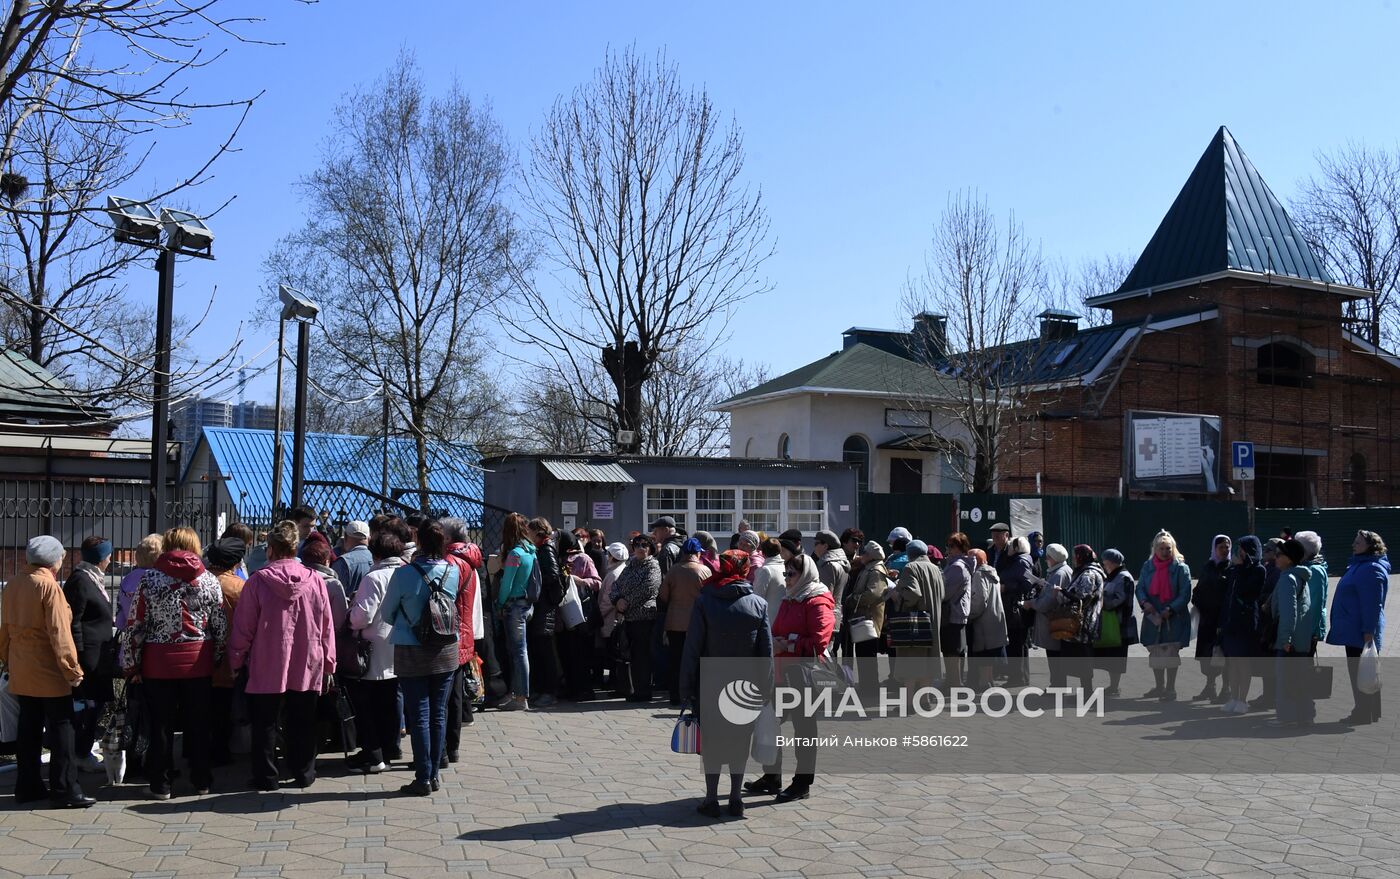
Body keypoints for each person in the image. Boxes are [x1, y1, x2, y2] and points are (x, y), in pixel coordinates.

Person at [229, 520, 335, 792]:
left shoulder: (257, 582)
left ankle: (267, 775)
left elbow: (244, 627)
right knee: (303, 720)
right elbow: (326, 624)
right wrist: (329, 661)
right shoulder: (315, 581)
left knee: (265, 722)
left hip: (267, 660)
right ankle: (303, 771)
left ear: (271, 549)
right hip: (307, 660)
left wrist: (236, 659)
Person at [124, 526, 228, 799]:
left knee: (160, 725)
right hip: (198, 661)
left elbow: (136, 624)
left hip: (159, 663)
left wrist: (131, 664)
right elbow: (219, 625)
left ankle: (161, 783)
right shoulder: (208, 580)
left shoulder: (150, 580)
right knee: (199, 723)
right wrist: (216, 657)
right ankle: (202, 780)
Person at [0, 536, 93, 808]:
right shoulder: (49, 587)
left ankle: (27, 786)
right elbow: (59, 634)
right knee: (62, 728)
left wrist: (7, 659)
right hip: (48, 669)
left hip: (21, 666)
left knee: (28, 728)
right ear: (55, 560)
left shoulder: (14, 584)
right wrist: (72, 669)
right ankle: (65, 789)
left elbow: (4, 630)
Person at [679, 550, 772, 819]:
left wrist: (685, 686)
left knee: (712, 743)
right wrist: (766, 689)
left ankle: (711, 799)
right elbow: (765, 653)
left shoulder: (705, 600)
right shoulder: (758, 604)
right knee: (739, 742)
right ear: (744, 570)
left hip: (711, 681)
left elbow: (692, 647)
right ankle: (735, 798)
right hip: (746, 685)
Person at [746, 552, 834, 804]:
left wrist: (788, 643)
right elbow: (775, 630)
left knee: (804, 731)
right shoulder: (790, 598)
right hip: (780, 674)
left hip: (804, 676)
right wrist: (774, 641)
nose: (787, 579)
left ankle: (802, 782)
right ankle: (772, 776)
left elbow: (819, 642)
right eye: (785, 574)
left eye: (791, 574)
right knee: (768, 724)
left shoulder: (817, 600)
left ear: (805, 573)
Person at [380, 520, 459, 796]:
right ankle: (434, 774)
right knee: (439, 714)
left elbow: (386, 613)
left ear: (419, 541)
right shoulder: (453, 570)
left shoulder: (403, 574)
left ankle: (423, 776)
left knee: (419, 715)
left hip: (411, 648)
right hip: (445, 648)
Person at [347, 528, 407, 772]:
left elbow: (363, 617)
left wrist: (351, 613)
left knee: (369, 705)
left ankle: (373, 754)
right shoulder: (406, 573)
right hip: (401, 644)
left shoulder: (374, 578)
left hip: (375, 647)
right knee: (391, 702)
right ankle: (390, 748)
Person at [1326, 530, 1390, 725]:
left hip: (1361, 631)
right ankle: (1369, 712)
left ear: (1370, 546)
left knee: (1361, 671)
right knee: (1365, 671)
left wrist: (1368, 631)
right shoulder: (1359, 565)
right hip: (1354, 628)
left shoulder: (1371, 569)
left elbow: (1372, 604)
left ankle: (1363, 712)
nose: (1354, 545)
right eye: (1354, 541)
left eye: (1358, 542)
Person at [63, 535, 115, 774]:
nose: (110, 559)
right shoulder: (81, 581)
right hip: (89, 657)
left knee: (96, 705)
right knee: (87, 707)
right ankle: (80, 753)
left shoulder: (93, 578)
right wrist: (80, 657)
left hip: (99, 655)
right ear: (101, 558)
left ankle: (84, 749)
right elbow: (74, 621)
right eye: (108, 555)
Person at [204, 536, 247, 766]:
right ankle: (222, 751)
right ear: (235, 562)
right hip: (230, 657)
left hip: (201, 658)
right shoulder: (239, 587)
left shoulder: (198, 580)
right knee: (225, 708)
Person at [441, 518, 482, 754]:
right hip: (465, 633)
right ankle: (453, 746)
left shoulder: (450, 562)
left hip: (449, 633)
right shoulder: (471, 561)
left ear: (447, 538)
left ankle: (444, 749)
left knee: (444, 696)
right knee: (456, 694)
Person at [1136, 530, 1192, 701]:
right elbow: (1140, 588)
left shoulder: (1181, 568)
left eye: (1168, 548)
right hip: (1153, 616)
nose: (1165, 552)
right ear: (1155, 549)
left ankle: (1170, 688)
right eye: (1161, 548)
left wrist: (1171, 609)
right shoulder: (1148, 566)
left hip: (1173, 617)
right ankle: (1159, 686)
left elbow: (1185, 593)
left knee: (1170, 652)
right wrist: (1145, 603)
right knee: (1155, 651)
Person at [660, 537, 711, 706]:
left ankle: (675, 695)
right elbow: (709, 598)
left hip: (674, 622)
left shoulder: (673, 571)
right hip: (697, 623)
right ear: (697, 553)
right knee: (696, 660)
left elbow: (663, 596)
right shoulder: (704, 571)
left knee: (676, 660)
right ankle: (694, 694)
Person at [1217, 537, 1265, 714]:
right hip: (1230, 623)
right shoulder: (1235, 570)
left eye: (1242, 549)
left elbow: (1250, 592)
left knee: (1243, 664)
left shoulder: (1258, 570)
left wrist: (1242, 568)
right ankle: (1234, 697)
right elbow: (1227, 596)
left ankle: (1243, 700)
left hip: (1245, 624)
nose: (1238, 553)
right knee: (1232, 664)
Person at [888, 540, 944, 687]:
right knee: (927, 662)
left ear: (910, 553)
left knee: (911, 663)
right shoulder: (935, 568)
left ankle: (909, 702)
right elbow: (943, 593)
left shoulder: (910, 567)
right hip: (932, 620)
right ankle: (924, 700)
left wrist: (896, 596)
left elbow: (913, 594)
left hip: (915, 622)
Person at [613, 534, 662, 702]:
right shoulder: (630, 565)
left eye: (645, 544)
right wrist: (617, 600)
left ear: (650, 548)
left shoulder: (653, 566)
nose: (641, 547)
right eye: (637, 544)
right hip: (628, 617)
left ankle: (643, 691)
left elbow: (649, 588)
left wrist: (626, 602)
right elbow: (616, 585)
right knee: (632, 655)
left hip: (644, 617)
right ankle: (634, 689)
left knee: (642, 655)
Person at [495, 513, 536, 711]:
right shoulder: (531, 551)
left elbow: (506, 584)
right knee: (520, 651)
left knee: (519, 652)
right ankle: (518, 694)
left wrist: (499, 603)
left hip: (514, 606)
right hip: (527, 604)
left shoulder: (515, 554)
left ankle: (520, 698)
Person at [1272, 538, 1315, 727]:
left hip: (1291, 638)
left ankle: (1287, 717)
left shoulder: (1287, 578)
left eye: (1279, 554)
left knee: (1287, 679)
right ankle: (1305, 716)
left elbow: (1289, 612)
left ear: (1289, 559)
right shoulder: (1300, 576)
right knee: (1301, 679)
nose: (1275, 557)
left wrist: (1285, 638)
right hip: (1302, 637)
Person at [557, 529, 599, 702]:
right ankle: (571, 688)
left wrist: (579, 580)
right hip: (563, 615)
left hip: (580, 614)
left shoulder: (583, 558)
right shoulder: (558, 559)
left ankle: (584, 690)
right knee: (567, 653)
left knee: (580, 654)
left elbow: (597, 582)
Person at [527, 517, 564, 707]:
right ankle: (542, 689)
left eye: (530, 532)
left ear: (537, 532)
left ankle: (549, 691)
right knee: (540, 650)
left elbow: (553, 575)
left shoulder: (546, 549)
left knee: (545, 651)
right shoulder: (541, 549)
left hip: (545, 608)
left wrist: (537, 586)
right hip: (543, 606)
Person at [848, 541, 891, 700]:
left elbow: (873, 594)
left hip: (869, 619)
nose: (862, 554)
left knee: (868, 654)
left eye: (865, 552)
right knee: (863, 653)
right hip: (864, 617)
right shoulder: (869, 568)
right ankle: (867, 686)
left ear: (871, 555)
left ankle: (870, 688)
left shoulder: (876, 570)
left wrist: (853, 599)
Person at [1191, 535, 1232, 703]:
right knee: (1207, 655)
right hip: (1207, 619)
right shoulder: (1208, 566)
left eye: (1227, 547)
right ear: (1214, 548)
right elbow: (1199, 588)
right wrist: (1197, 600)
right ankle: (1210, 687)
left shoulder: (1231, 568)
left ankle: (1226, 689)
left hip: (1222, 619)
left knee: (1223, 656)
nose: (1225, 550)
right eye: (1221, 547)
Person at [1094, 549, 1137, 698]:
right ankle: (1112, 686)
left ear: (1112, 562)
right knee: (1111, 655)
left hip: (1120, 624)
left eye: (1105, 563)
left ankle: (1115, 687)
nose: (1104, 566)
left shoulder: (1124, 577)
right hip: (1110, 622)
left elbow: (1120, 599)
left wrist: (1102, 603)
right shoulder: (1112, 576)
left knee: (1117, 656)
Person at [1030, 544, 1075, 688]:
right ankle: (1057, 684)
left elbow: (1047, 602)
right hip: (1058, 620)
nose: (1046, 559)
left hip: (1055, 621)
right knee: (1056, 656)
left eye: (1048, 557)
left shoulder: (1058, 574)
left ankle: (1057, 685)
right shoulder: (1063, 570)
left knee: (1055, 656)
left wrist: (1031, 603)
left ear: (1054, 558)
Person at [966, 548, 1008, 690]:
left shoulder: (978, 574)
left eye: (970, 558)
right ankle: (989, 681)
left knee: (982, 652)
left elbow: (980, 600)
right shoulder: (992, 572)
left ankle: (984, 683)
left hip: (982, 619)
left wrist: (970, 615)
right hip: (995, 617)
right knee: (990, 652)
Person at [1000, 536, 1039, 687]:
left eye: (1010, 546)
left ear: (1016, 548)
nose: (1008, 548)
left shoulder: (1021, 562)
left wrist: (1006, 587)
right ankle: (1019, 676)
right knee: (1018, 643)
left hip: (1016, 608)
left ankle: (1018, 677)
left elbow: (1027, 585)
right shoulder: (1019, 561)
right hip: (1014, 607)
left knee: (1017, 643)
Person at [941, 534, 975, 688]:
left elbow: (945, 592)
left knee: (951, 651)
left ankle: (954, 683)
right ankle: (954, 681)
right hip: (957, 612)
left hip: (953, 613)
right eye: (948, 545)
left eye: (951, 546)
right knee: (955, 650)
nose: (948, 549)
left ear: (960, 548)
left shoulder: (957, 567)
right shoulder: (957, 564)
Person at [597, 541, 630, 697]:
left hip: (610, 620)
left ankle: (615, 683)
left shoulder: (613, 574)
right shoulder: (623, 570)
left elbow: (607, 600)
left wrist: (597, 616)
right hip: (616, 618)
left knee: (613, 652)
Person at [116, 534, 163, 629]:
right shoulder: (160, 579)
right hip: (156, 638)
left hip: (131, 636)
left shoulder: (127, 579)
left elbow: (120, 621)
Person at [1295, 531, 1328, 654]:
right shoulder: (1303, 567)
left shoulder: (1314, 571)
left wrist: (1310, 632)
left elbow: (1315, 604)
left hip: (1307, 631)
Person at [813, 530, 850, 633]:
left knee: (822, 649)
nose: (814, 547)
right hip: (835, 614)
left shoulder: (827, 565)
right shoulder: (841, 563)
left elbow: (824, 594)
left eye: (816, 543)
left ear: (825, 545)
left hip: (824, 616)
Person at [333, 521, 373, 600]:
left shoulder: (343, 562)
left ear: (345, 536)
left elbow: (334, 596)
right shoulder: (378, 560)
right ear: (369, 538)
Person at [755, 536, 787, 627]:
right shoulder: (785, 567)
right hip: (783, 617)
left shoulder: (766, 570)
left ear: (763, 553)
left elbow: (758, 598)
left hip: (769, 620)